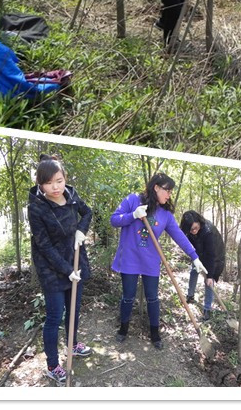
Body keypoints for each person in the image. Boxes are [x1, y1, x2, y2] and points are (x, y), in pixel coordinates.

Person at [110, 172, 203, 350]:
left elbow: (179, 236)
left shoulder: (165, 214)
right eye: (167, 191)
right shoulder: (132, 200)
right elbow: (114, 220)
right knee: (128, 297)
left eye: (170, 192)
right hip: (129, 258)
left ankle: (155, 333)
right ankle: (123, 329)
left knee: (153, 298)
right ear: (156, 188)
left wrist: (194, 256)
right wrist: (133, 215)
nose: (169, 195)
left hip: (150, 261)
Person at [27, 154, 92, 385]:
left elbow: (88, 212)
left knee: (74, 310)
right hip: (52, 268)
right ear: (40, 183)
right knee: (55, 316)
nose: (55, 187)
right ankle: (53, 365)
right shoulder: (36, 207)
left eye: (59, 180)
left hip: (75, 259)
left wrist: (81, 231)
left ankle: (73, 346)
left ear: (64, 178)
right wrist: (66, 270)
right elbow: (43, 245)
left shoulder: (71, 196)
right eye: (48, 183)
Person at [180, 211, 226, 320]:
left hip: (215, 258)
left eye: (196, 227)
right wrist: (196, 259)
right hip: (199, 254)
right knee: (194, 271)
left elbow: (211, 255)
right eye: (191, 229)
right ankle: (190, 296)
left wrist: (210, 275)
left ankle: (207, 310)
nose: (194, 231)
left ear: (199, 223)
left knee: (209, 282)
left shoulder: (208, 232)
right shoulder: (189, 232)